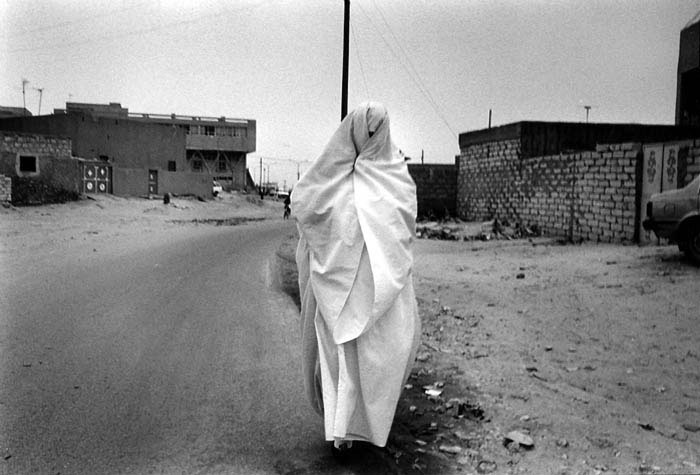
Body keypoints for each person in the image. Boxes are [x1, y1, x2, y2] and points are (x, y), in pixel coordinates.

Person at [292, 102, 420, 454]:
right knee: (340, 360)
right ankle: (342, 432)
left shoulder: (396, 180)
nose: (372, 138)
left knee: (379, 362)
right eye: (368, 131)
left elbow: (404, 231)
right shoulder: (332, 175)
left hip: (380, 293)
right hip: (338, 292)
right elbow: (305, 205)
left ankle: (370, 427)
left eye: (377, 131)